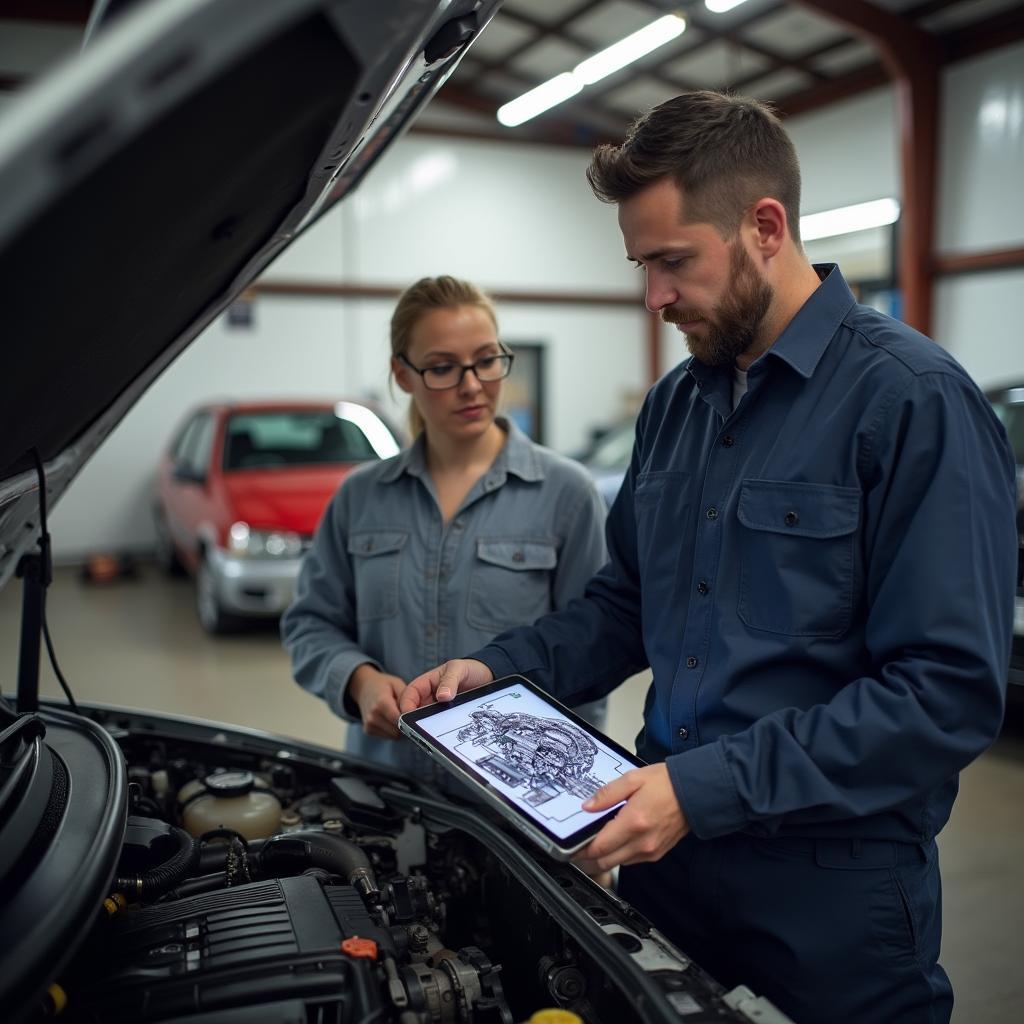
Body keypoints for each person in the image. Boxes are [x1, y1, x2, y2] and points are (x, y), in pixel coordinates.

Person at [401, 93, 1018, 1023]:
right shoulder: (676, 406)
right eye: (641, 265)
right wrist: (499, 667)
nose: (653, 296)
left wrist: (703, 789)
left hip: (832, 891)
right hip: (666, 858)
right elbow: (624, 606)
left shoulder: (913, 402)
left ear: (765, 227)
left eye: (672, 261)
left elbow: (944, 693)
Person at [281, 274, 607, 778]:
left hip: (509, 800)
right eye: (442, 368)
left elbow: (591, 650)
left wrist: (572, 792)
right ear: (404, 374)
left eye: (486, 360)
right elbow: (310, 623)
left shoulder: (566, 493)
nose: (472, 385)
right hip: (386, 785)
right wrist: (359, 681)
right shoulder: (361, 498)